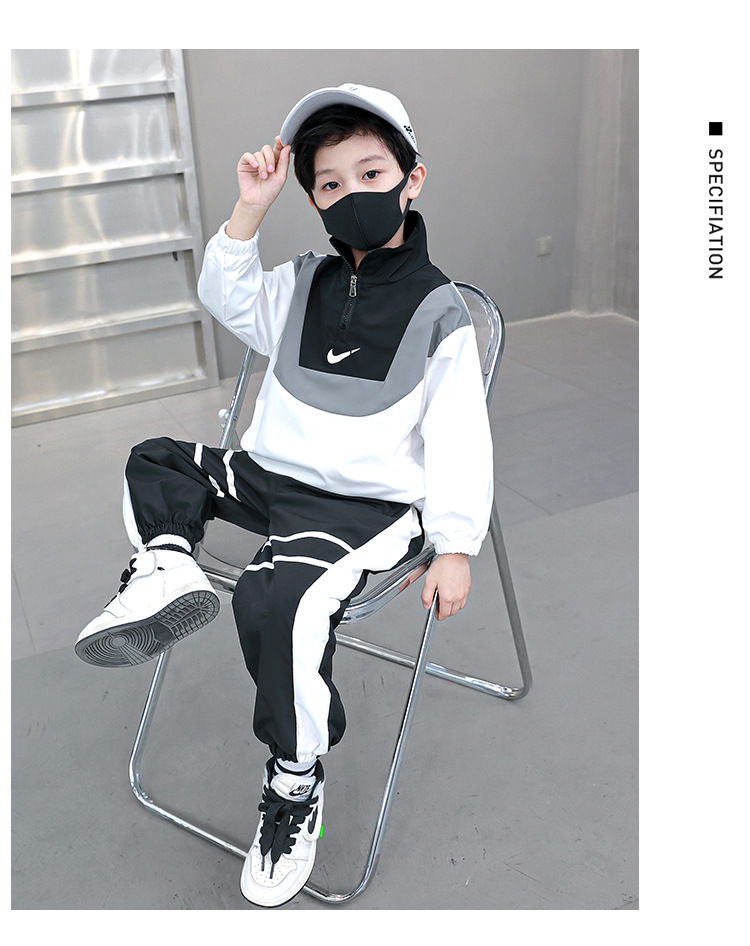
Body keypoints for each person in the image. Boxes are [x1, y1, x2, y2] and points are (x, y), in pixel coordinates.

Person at [75, 83, 494, 908]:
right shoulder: (302, 281)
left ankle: (296, 781)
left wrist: (453, 545)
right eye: (330, 183)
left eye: (372, 173)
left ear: (412, 179)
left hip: (360, 509)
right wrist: (250, 208)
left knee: (277, 598)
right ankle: (169, 567)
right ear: (314, 201)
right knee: (156, 461)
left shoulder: (441, 313)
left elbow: (460, 440)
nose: (352, 193)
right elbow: (224, 295)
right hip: (272, 478)